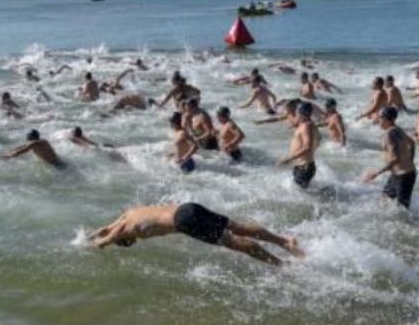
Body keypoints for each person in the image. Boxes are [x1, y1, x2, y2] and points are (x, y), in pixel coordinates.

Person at [89, 203, 303, 266]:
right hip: (188, 207)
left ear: (126, 239)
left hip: (185, 221)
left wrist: (87, 246)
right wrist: (89, 235)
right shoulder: (129, 213)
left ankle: (281, 265)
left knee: (235, 243)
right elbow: (105, 229)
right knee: (237, 226)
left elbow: (106, 238)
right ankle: (284, 241)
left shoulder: (125, 231)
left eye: (130, 242)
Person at [363, 107, 417, 209]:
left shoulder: (388, 135)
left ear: (385, 119)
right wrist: (410, 161)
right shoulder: (397, 129)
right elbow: (412, 143)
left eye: (379, 118)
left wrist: (376, 173)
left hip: (403, 177)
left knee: (403, 211)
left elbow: (395, 158)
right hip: (400, 174)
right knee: (383, 200)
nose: (377, 120)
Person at [280, 102, 321, 189]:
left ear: (302, 113)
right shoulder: (308, 124)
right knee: (301, 194)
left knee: (300, 194)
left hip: (304, 167)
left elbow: (307, 147)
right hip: (303, 165)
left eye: (297, 112)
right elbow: (318, 140)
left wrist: (288, 159)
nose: (296, 114)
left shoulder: (307, 126)